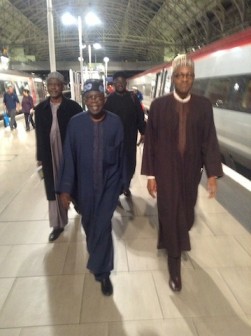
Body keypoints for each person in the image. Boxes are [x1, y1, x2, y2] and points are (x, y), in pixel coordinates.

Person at [141, 54, 223, 292]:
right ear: (173, 78)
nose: (184, 79)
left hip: (190, 173)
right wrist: (151, 176)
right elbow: (151, 143)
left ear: (193, 78)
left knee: (186, 216)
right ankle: (174, 265)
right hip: (165, 172)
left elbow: (209, 141)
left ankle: (178, 237)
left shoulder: (204, 106)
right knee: (169, 213)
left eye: (188, 75)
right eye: (180, 75)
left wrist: (211, 175)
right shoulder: (158, 106)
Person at [57, 79, 125, 296]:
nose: (94, 101)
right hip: (84, 187)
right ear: (85, 100)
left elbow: (123, 156)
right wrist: (66, 189)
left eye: (98, 97)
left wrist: (122, 184)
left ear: (104, 98)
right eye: (90, 98)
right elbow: (68, 158)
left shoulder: (115, 123)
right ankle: (99, 262)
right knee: (89, 225)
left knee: (103, 226)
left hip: (109, 185)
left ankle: (103, 272)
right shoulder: (75, 124)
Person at [34, 71, 82, 242]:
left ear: (63, 86)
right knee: (53, 188)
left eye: (57, 84)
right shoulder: (40, 110)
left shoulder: (74, 107)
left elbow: (81, 132)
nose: (54, 87)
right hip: (49, 156)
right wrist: (39, 157)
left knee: (73, 181)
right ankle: (58, 224)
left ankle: (77, 202)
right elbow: (39, 134)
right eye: (51, 84)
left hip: (69, 153)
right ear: (47, 87)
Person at [104, 71, 146, 197]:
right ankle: (117, 187)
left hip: (130, 138)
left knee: (130, 164)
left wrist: (143, 132)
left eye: (122, 82)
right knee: (115, 164)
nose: (120, 84)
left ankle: (126, 184)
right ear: (114, 84)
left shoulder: (133, 98)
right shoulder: (109, 100)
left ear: (126, 83)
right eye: (117, 82)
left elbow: (140, 116)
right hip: (114, 140)